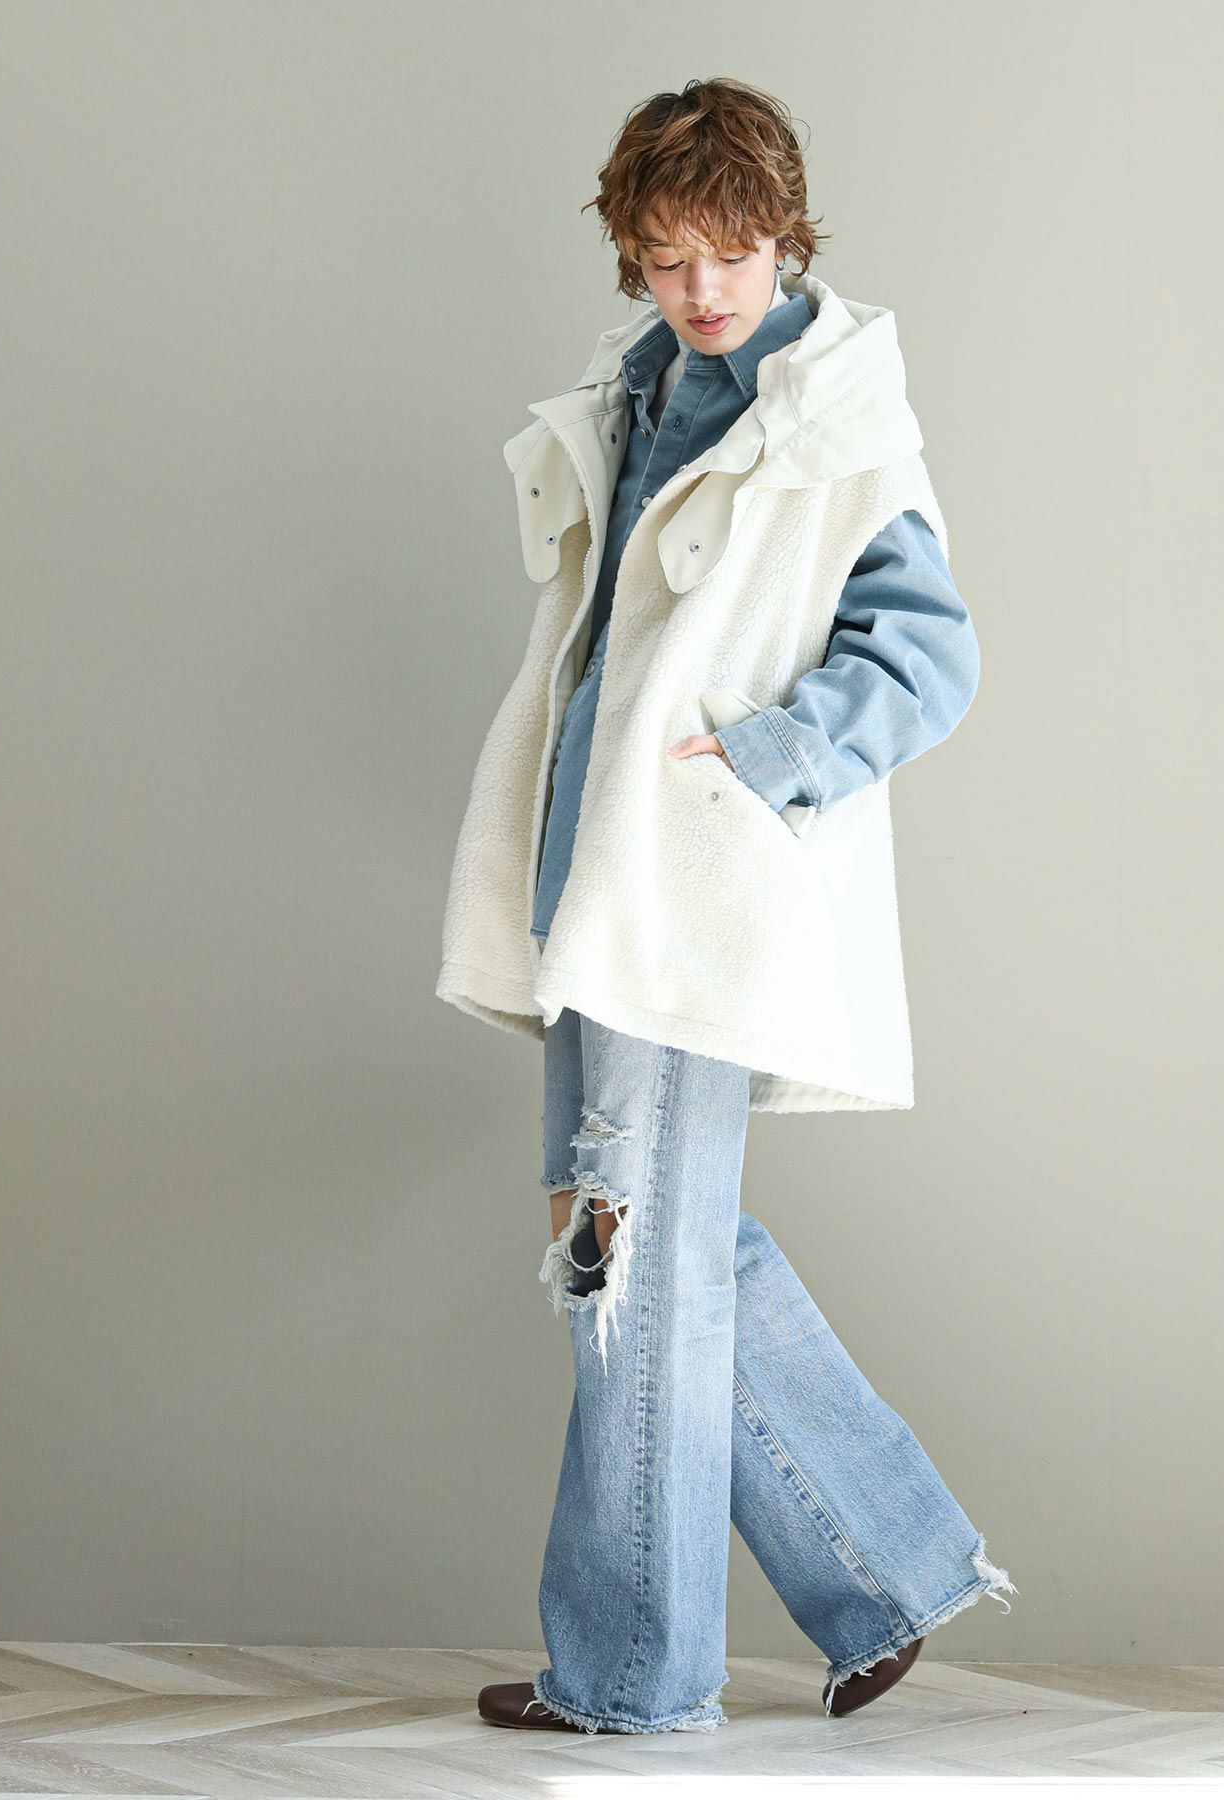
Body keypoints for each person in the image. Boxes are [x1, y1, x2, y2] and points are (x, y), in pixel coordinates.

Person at [436, 76, 1017, 1736]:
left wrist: (761, 762)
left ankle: (634, 1677)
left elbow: (929, 653)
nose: (703, 290)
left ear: (789, 237)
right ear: (631, 250)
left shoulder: (836, 420)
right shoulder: (640, 390)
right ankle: (885, 1564)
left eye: (734, 254)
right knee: (630, 1240)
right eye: (670, 257)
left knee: (630, 1267)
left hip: (693, 888)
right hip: (596, 888)